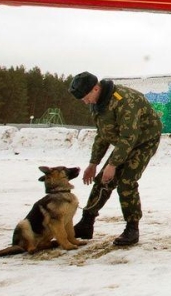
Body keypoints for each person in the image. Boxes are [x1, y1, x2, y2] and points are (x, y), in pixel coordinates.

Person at [68, 71, 163, 246]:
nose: (85, 102)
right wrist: (94, 163)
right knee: (102, 180)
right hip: (125, 141)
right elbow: (103, 135)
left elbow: (129, 137)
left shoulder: (124, 101)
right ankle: (86, 223)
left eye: (86, 97)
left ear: (95, 88)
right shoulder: (98, 103)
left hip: (143, 140)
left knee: (126, 181)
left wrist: (113, 164)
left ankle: (132, 228)